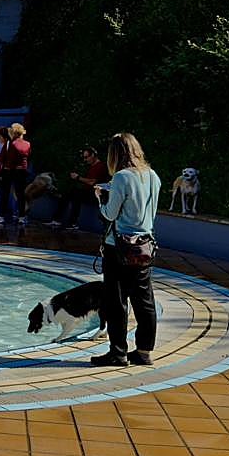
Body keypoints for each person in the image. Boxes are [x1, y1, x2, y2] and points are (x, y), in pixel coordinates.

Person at [91, 132, 162, 368]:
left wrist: (101, 196)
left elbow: (110, 214)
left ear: (115, 154)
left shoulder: (121, 177)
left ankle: (118, 353)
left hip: (119, 248)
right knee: (144, 300)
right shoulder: (153, 175)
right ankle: (144, 352)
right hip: (145, 247)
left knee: (116, 301)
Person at [47, 146, 110, 231]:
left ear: (93, 155)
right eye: (84, 157)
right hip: (88, 191)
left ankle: (73, 223)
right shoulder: (91, 166)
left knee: (77, 195)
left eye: (87, 157)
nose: (85, 160)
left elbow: (92, 182)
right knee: (69, 193)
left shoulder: (100, 166)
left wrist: (78, 177)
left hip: (96, 194)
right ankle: (57, 220)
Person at [0, 123, 31, 225]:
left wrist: (3, 168)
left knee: (5, 193)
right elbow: (28, 156)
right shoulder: (28, 144)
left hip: (9, 171)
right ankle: (21, 216)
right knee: (21, 194)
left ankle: (1, 216)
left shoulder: (11, 144)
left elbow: (5, 158)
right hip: (22, 171)